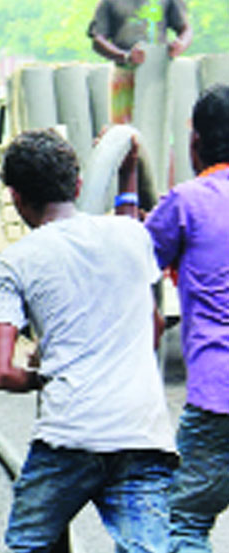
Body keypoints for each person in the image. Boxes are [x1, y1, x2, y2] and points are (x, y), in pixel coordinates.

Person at [0, 129, 176, 552]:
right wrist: (127, 174)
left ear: (14, 197)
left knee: (28, 543)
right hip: (141, 432)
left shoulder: (16, 262)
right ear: (79, 186)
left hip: (69, 435)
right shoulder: (132, 237)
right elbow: (155, 325)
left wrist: (38, 376)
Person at [144, 84, 229, 552]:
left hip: (220, 394)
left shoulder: (189, 200)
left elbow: (134, 262)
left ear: (195, 142)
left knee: (181, 518)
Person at [88, 0, 192, 123]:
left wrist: (181, 44)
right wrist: (125, 57)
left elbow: (185, 29)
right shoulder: (108, 2)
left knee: (161, 124)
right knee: (124, 129)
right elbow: (97, 39)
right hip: (124, 74)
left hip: (160, 74)